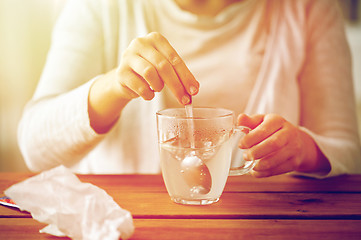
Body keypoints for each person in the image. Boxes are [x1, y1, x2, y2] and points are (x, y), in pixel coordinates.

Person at [18, 0, 361, 178]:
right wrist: (114, 86)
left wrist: (307, 150)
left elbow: (348, 151)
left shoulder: (309, 9)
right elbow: (35, 148)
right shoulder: (100, 7)